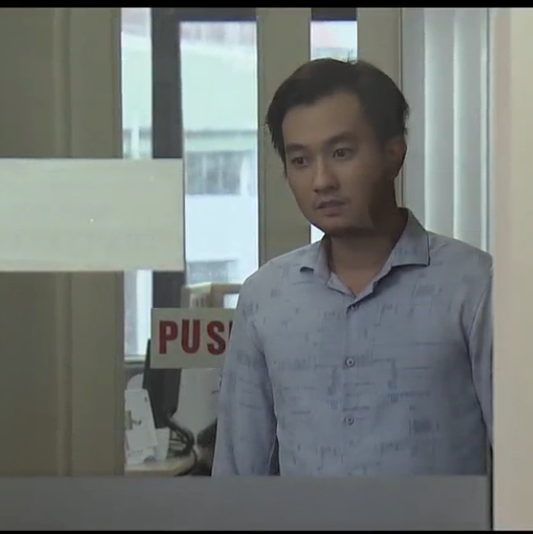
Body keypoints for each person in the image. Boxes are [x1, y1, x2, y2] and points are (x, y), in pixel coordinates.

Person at [211, 59, 493, 476]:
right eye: (300, 161)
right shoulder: (266, 296)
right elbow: (238, 472)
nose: (322, 181)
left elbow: (527, 460)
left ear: (394, 154)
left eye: (341, 153)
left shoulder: (473, 284)